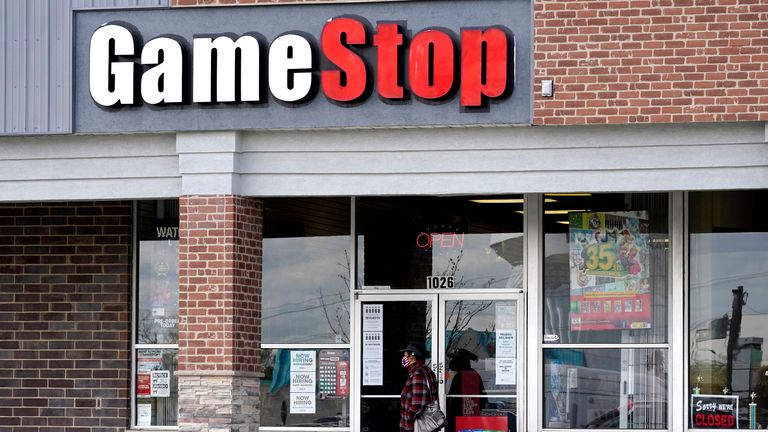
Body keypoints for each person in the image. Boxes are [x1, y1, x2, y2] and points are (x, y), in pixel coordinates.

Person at [400, 343, 439, 432]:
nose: (403, 358)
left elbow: (417, 405)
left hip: (417, 427)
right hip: (427, 425)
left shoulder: (417, 374)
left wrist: (408, 427)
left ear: (412, 357)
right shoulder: (427, 371)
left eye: (405, 355)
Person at [446, 348, 486, 432]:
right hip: (465, 414)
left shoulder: (464, 375)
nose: (452, 362)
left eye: (455, 359)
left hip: (461, 416)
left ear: (460, 361)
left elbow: (455, 400)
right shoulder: (469, 374)